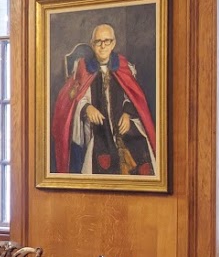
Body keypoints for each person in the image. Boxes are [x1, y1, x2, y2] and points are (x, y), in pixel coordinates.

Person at [50, 23, 157, 176]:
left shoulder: (124, 66)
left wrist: (127, 115)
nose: (102, 46)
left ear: (113, 43)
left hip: (122, 124)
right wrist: (87, 108)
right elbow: (75, 98)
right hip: (98, 128)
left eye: (107, 41)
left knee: (139, 146)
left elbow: (132, 97)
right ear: (92, 44)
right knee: (101, 153)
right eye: (98, 42)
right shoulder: (83, 68)